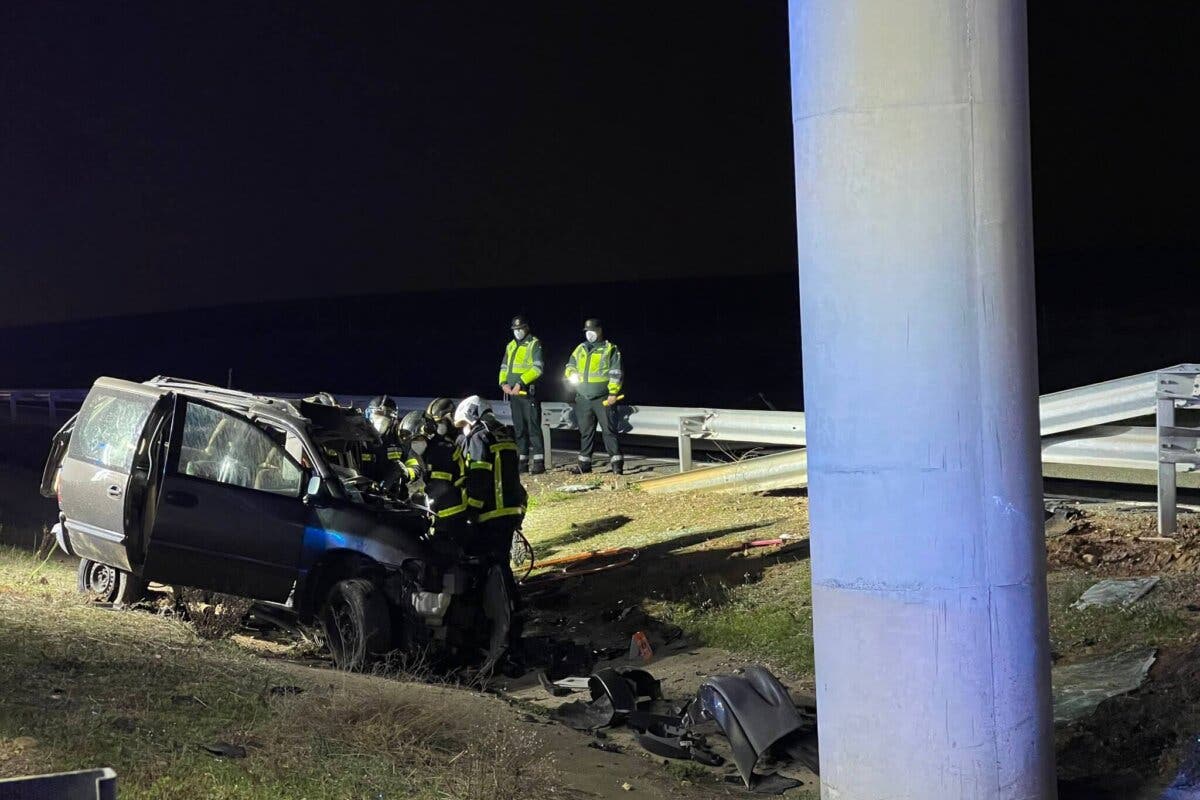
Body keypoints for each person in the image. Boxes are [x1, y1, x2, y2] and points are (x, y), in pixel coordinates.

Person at [563, 318, 624, 474]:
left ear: (599, 330)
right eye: (586, 331)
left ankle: (617, 465)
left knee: (609, 431)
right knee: (586, 432)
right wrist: (571, 373)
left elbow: (616, 373)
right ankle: (584, 465)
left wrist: (613, 393)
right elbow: (570, 365)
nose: (589, 334)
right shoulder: (580, 348)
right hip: (583, 398)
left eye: (592, 330)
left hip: (603, 398)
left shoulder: (610, 349)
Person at [498, 314, 546, 475]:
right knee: (519, 429)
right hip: (513, 394)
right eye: (515, 329)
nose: (517, 332)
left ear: (526, 328)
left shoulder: (534, 344)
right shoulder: (511, 345)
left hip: (527, 393)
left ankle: (539, 462)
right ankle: (522, 461)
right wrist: (503, 383)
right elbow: (504, 367)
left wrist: (520, 382)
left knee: (533, 428)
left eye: (520, 328)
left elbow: (538, 368)